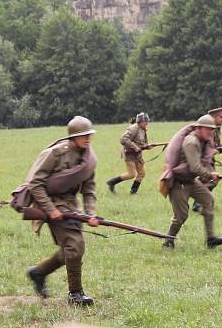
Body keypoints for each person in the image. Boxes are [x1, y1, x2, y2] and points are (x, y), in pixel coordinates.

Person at [25, 116, 100, 306]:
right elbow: (35, 184)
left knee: (70, 248)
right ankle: (75, 293)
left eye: (89, 135)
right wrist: (51, 209)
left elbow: (89, 189)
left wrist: (90, 213)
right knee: (75, 247)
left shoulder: (88, 158)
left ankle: (38, 272)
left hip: (71, 205)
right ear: (73, 136)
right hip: (49, 203)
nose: (88, 139)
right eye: (83, 135)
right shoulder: (55, 154)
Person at [162, 114, 222, 249]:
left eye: (212, 130)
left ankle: (210, 239)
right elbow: (195, 167)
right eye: (208, 130)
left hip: (190, 180)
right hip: (178, 183)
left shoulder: (203, 141)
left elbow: (203, 162)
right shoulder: (191, 142)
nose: (211, 133)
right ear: (199, 128)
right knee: (181, 216)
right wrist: (210, 175)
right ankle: (168, 241)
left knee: (208, 199)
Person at [191, 107, 222, 213]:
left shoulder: (216, 129)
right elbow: (207, 147)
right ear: (215, 117)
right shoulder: (208, 129)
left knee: (211, 180)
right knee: (211, 180)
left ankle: (200, 202)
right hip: (202, 159)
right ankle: (198, 201)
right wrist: (212, 151)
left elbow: (218, 146)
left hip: (208, 160)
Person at [106, 112, 150, 194]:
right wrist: (135, 147)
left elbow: (142, 143)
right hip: (129, 153)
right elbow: (123, 139)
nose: (147, 123)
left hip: (137, 154)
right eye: (145, 121)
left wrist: (147, 146)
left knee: (141, 173)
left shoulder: (143, 130)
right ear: (140, 121)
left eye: (147, 121)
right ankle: (112, 182)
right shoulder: (133, 128)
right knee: (131, 174)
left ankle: (133, 191)